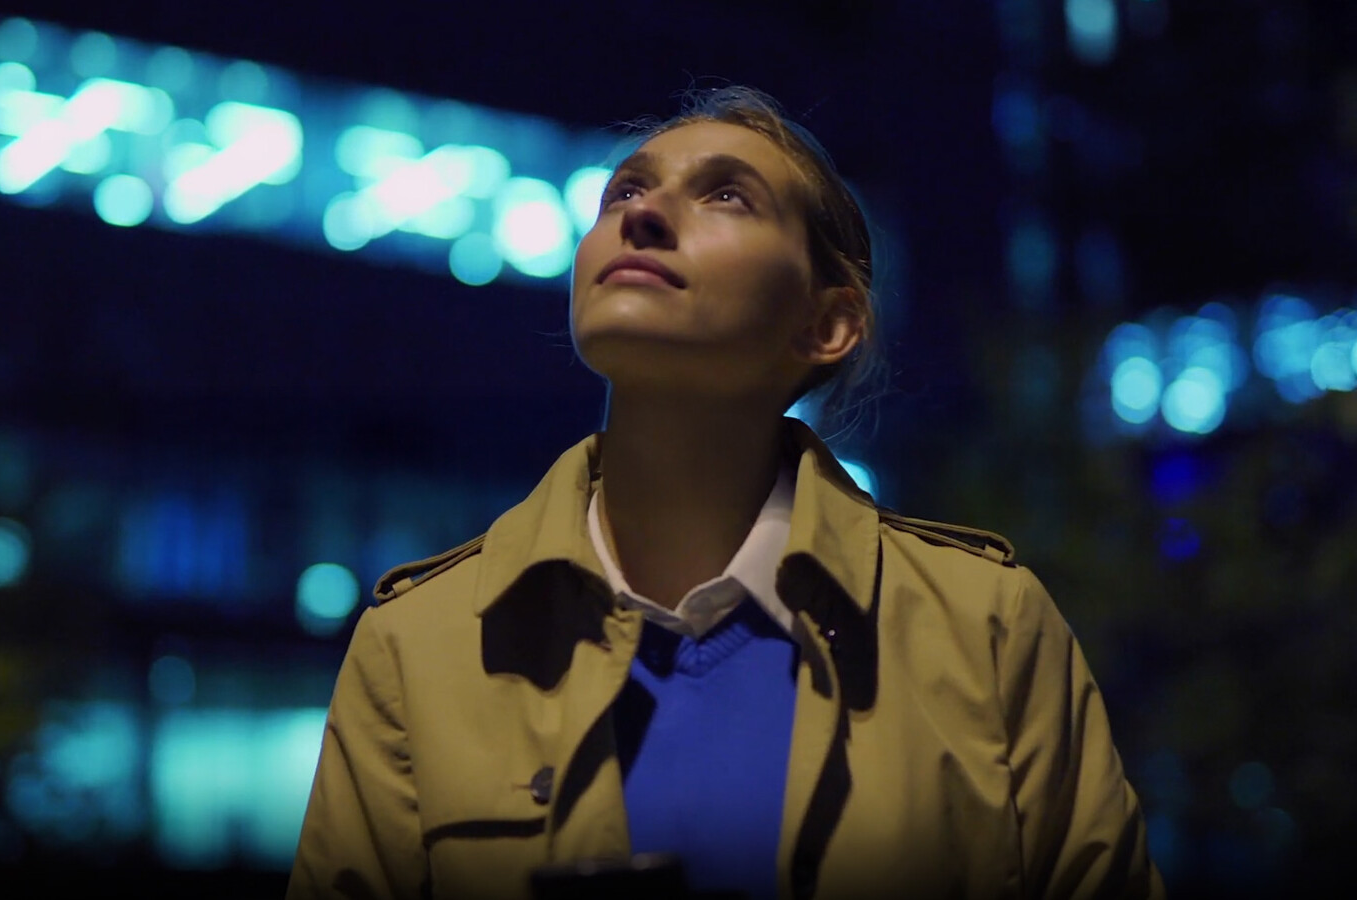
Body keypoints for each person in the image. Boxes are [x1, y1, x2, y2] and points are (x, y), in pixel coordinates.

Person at [287, 86, 1164, 900]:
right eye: (623, 190)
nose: (642, 214)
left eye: (727, 195)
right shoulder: (419, 643)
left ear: (826, 324)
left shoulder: (985, 628)